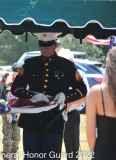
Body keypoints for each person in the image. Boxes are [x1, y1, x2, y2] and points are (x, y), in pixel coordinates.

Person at [11, 32, 87, 160]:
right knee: (30, 157)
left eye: (48, 46)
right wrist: (31, 96)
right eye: (42, 46)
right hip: (31, 120)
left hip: (54, 120)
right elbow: (16, 88)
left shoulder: (66, 66)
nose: (45, 49)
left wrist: (65, 95)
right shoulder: (30, 64)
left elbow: (81, 89)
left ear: (55, 45)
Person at [57, 46, 90, 160]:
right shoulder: (55, 74)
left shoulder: (80, 74)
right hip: (55, 115)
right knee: (53, 147)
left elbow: (86, 96)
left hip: (71, 114)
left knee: (72, 149)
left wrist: (70, 104)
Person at [86, 47, 116, 160]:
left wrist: (97, 154)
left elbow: (90, 135)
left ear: (107, 63)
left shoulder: (96, 92)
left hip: (103, 155)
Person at [0, 63, 22, 160]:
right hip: (6, 110)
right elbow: (1, 98)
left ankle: (13, 156)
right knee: (8, 135)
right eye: (16, 73)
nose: (17, 75)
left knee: (17, 135)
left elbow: (24, 98)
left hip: (18, 111)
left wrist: (20, 111)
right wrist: (6, 111)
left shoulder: (23, 83)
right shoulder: (5, 82)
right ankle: (6, 156)